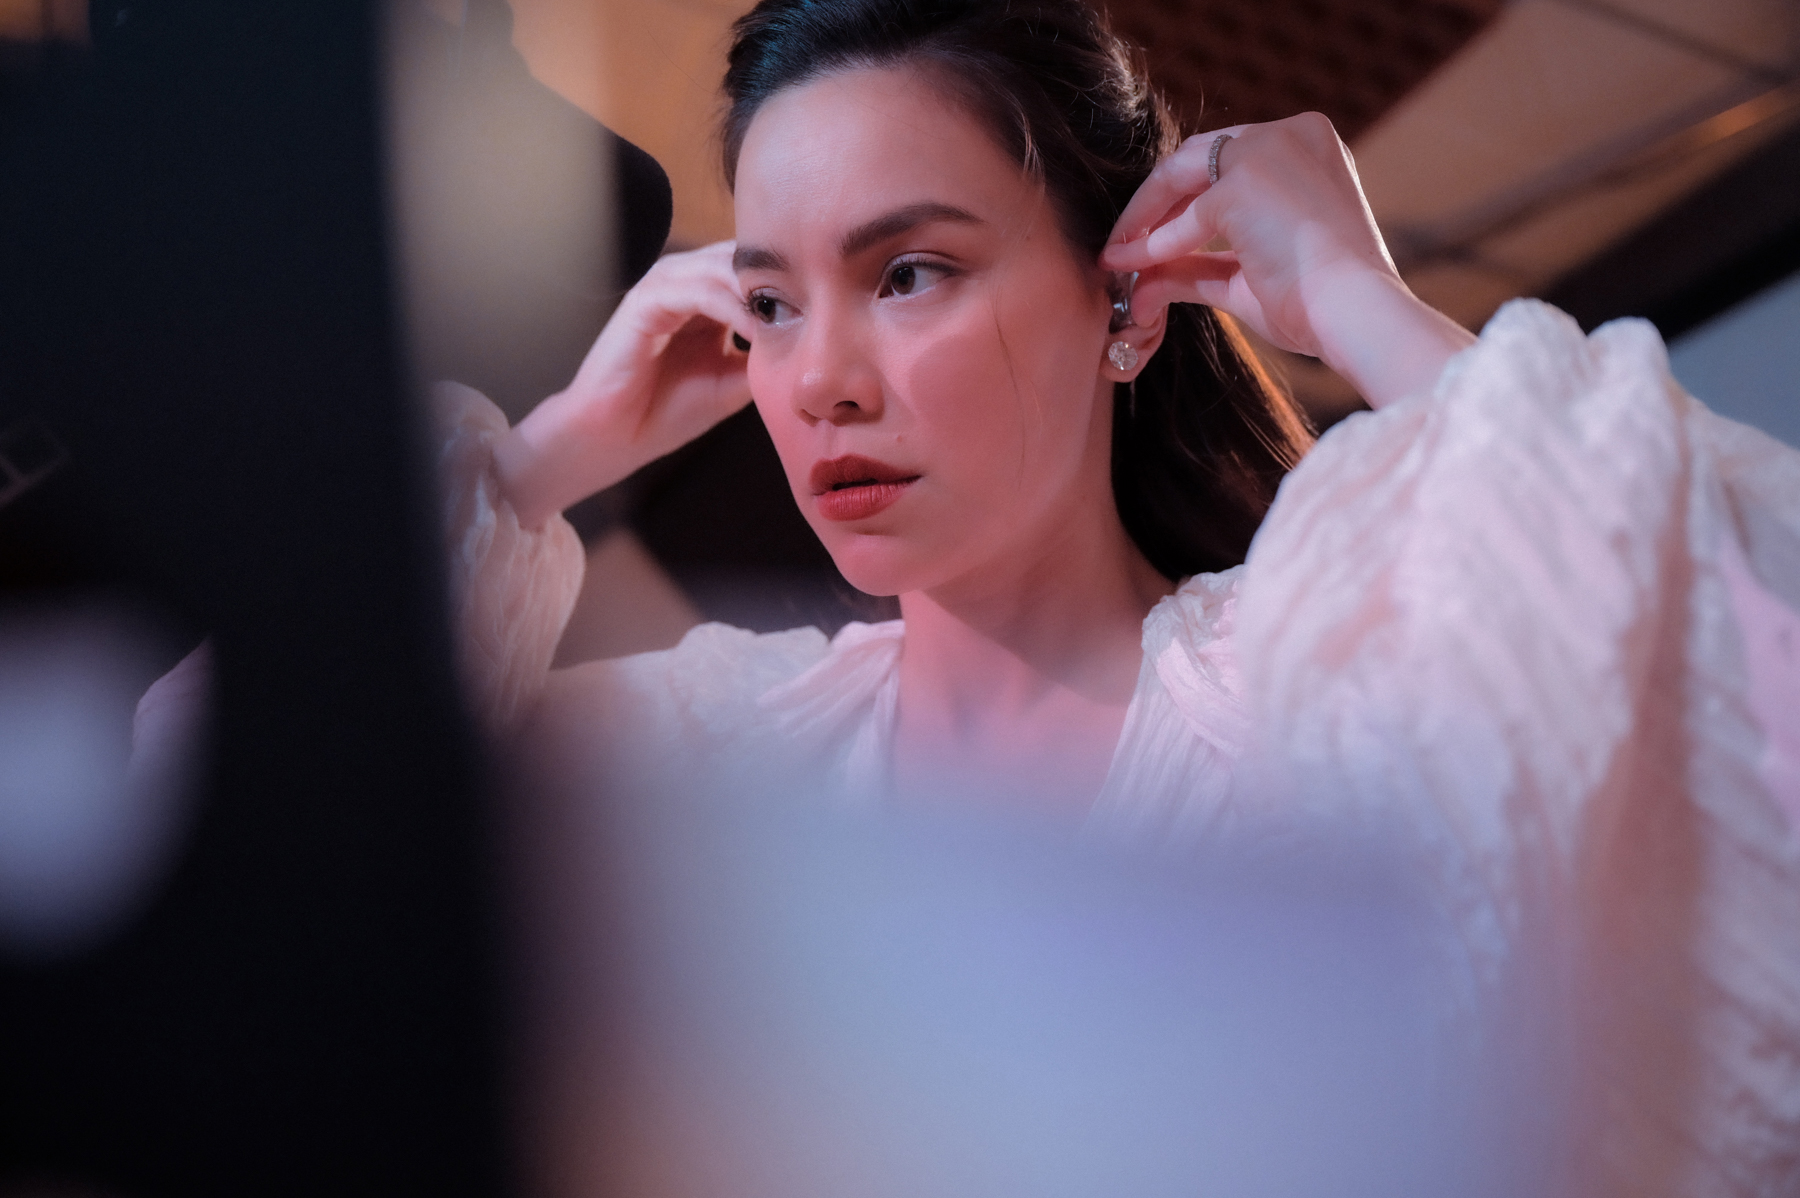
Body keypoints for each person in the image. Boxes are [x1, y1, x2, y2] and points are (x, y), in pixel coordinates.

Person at [434, 0, 1800, 1191]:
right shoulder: (715, 757)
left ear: (1123, 305)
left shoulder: (1312, 706)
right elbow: (315, 875)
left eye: (907, 273)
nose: (820, 383)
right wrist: (544, 459)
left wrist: (1349, 292)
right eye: (774, 304)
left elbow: (1747, 695)